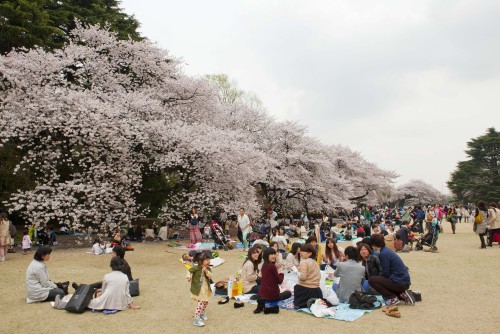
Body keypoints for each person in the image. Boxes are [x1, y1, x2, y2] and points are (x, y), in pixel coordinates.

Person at [368, 234, 414, 306]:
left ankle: (393, 298)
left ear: (373, 244)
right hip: (404, 281)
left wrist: (379, 278)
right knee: (382, 282)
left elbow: (386, 273)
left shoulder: (383, 254)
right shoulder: (387, 251)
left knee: (372, 280)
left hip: (399, 282)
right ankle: (401, 294)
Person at [254, 247, 292, 314]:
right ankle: (270, 307)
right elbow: (279, 281)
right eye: (271, 254)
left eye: (274, 254)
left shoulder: (264, 265)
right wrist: (281, 273)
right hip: (272, 295)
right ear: (266, 255)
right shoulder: (272, 266)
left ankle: (262, 303)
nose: (273, 256)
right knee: (288, 293)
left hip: (263, 294)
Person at [292, 243, 322, 309]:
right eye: (301, 251)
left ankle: (302, 302)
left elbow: (302, 277)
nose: (301, 253)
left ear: (310, 253)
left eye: (304, 251)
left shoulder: (304, 262)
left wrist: (296, 271)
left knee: (296, 287)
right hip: (316, 290)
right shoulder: (315, 263)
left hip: (306, 290)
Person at [187, 252, 213, 327]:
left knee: (206, 302)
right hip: (199, 289)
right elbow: (189, 271)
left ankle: (201, 314)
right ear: (200, 261)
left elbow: (211, 276)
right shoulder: (196, 267)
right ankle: (196, 319)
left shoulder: (208, 268)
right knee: (200, 303)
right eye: (206, 260)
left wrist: (206, 271)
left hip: (205, 288)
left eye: (209, 259)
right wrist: (188, 276)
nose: (208, 261)